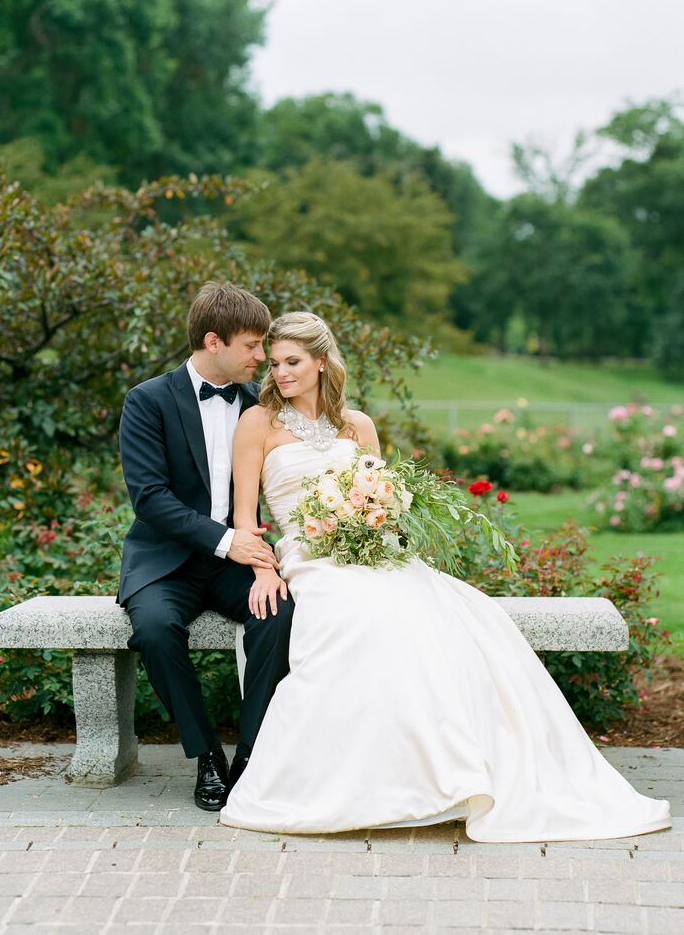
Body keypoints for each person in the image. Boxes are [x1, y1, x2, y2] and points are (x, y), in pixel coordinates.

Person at [220, 311, 671, 840]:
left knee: (455, 618)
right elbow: (244, 519)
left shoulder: (357, 425)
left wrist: (372, 521)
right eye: (273, 364)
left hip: (372, 550)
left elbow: (381, 500)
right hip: (310, 557)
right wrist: (262, 570)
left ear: (322, 361)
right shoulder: (258, 423)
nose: (280, 374)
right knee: (360, 621)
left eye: (292, 362)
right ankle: (362, 779)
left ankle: (458, 770)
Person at [117, 283, 294, 811]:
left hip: (239, 561)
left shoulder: (260, 403)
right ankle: (207, 756)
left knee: (280, 614)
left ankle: (252, 753)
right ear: (213, 341)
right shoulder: (147, 400)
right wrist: (225, 541)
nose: (261, 358)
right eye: (252, 346)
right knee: (152, 628)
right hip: (167, 561)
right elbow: (150, 498)